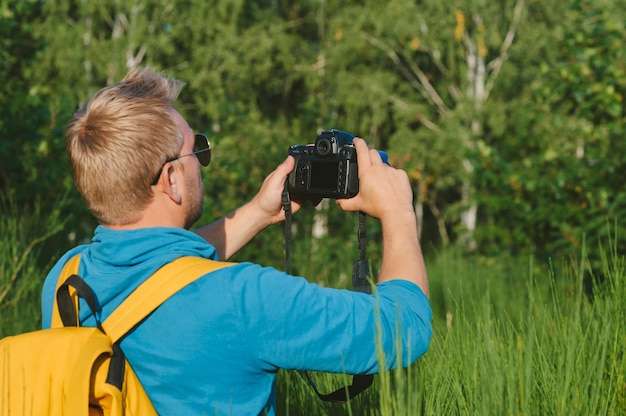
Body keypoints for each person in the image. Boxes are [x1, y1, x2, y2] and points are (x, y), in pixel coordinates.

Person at [41, 67, 432, 415]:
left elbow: (163, 277)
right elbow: (405, 329)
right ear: (172, 179)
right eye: (199, 150)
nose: (203, 160)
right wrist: (398, 212)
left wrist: (257, 214)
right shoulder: (245, 299)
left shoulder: (65, 280)